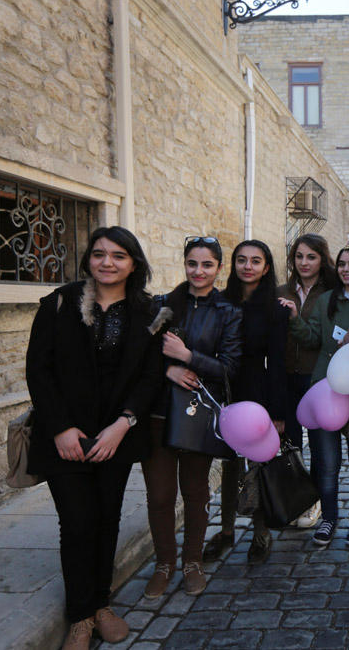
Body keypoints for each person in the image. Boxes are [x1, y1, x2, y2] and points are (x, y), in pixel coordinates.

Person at [26, 227, 164, 650]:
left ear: (134, 263)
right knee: (78, 522)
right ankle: (80, 617)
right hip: (64, 435)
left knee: (106, 519)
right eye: (99, 254)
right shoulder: (60, 303)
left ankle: (101, 604)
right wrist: (61, 428)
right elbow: (39, 369)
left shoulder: (150, 312)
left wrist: (124, 424)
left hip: (116, 436)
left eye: (118, 255)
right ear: (88, 259)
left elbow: (150, 377)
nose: (108, 262)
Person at [142, 236, 242, 599]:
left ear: (218, 268)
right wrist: (167, 370)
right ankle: (164, 564)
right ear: (184, 264)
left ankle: (192, 562)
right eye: (191, 264)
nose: (198, 271)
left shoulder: (228, 312)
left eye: (206, 265)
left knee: (196, 492)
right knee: (160, 495)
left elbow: (230, 368)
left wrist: (188, 356)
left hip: (199, 413)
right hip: (157, 412)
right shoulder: (162, 305)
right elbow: (137, 356)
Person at [282, 240, 349, 548]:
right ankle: (329, 517)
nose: (347, 269)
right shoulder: (327, 300)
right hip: (325, 388)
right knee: (327, 460)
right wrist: (295, 318)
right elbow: (313, 340)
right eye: (344, 264)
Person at [202, 240, 288, 565]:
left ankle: (261, 532)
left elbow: (277, 363)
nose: (247, 266)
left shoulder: (275, 310)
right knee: (227, 466)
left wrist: (278, 412)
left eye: (255, 261)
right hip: (220, 392)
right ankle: (225, 532)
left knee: (256, 467)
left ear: (266, 268)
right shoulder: (218, 303)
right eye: (241, 260)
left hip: (255, 393)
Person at [277, 233, 337, 529]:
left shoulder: (331, 292)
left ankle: (316, 503)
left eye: (311, 257)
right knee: (291, 445)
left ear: (322, 259)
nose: (304, 262)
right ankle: (298, 499)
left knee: (319, 445)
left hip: (317, 379)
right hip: (287, 377)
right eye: (299, 256)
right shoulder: (282, 290)